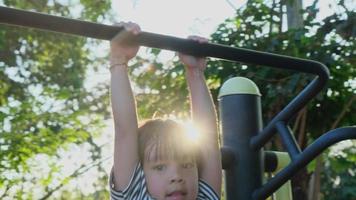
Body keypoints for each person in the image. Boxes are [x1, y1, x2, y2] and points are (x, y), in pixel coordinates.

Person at [109, 22, 222, 200]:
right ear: (140, 173)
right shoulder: (135, 195)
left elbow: (208, 140)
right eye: (160, 167)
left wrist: (195, 72)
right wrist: (118, 61)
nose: (177, 176)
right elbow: (125, 131)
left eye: (186, 165)